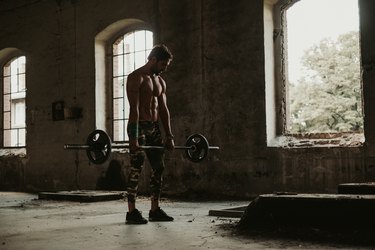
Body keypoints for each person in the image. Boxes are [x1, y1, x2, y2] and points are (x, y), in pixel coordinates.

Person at [125, 44, 175, 224]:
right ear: (153, 59)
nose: (163, 69)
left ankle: (155, 209)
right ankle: (131, 211)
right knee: (136, 168)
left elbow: (164, 110)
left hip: (154, 128)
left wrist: (169, 136)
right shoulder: (135, 78)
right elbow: (134, 110)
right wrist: (133, 137)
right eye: (163, 64)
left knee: (159, 168)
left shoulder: (160, 81)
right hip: (139, 125)